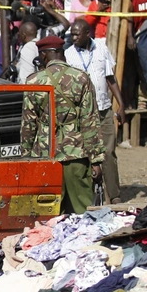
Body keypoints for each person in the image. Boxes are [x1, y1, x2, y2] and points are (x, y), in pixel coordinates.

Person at [21, 35, 105, 214]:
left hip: (45, 156)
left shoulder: (33, 81)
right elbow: (90, 121)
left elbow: (28, 125)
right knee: (84, 214)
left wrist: (25, 158)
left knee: (47, 216)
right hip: (76, 156)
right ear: (62, 52)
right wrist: (96, 160)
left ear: (43, 55)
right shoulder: (81, 78)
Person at [65, 19, 125, 204]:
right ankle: (90, 196)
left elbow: (110, 78)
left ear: (87, 34)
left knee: (109, 152)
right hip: (83, 113)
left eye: (77, 34)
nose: (74, 38)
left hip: (104, 108)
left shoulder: (101, 49)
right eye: (72, 34)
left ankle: (113, 195)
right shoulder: (68, 54)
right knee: (86, 154)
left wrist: (121, 104)